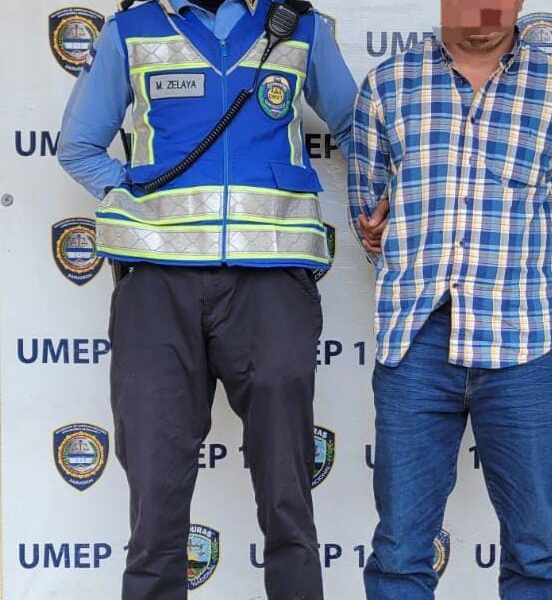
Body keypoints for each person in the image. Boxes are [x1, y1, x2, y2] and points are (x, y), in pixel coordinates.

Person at [56, 0, 357, 598]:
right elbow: (78, 146)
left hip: (271, 281)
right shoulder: (130, 30)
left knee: (287, 494)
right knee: (156, 496)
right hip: (156, 288)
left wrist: (376, 195)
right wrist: (133, 191)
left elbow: (356, 126)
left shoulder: (301, 26)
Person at [348, 0, 552, 598]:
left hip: (524, 343)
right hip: (416, 342)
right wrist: (410, 255)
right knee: (400, 550)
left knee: (536, 550)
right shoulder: (388, 84)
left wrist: (528, 268)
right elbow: (369, 212)